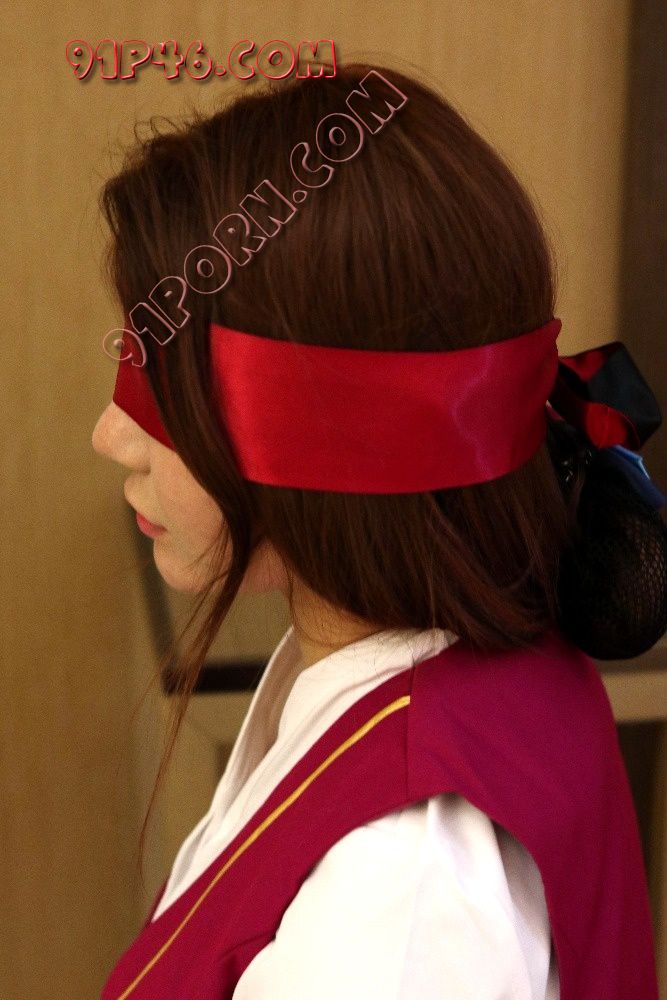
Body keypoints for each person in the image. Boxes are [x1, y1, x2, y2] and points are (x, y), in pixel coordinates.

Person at [91, 61, 660, 999]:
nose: (110, 436)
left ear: (320, 438)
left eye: (158, 390)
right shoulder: (427, 667)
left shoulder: (396, 902)